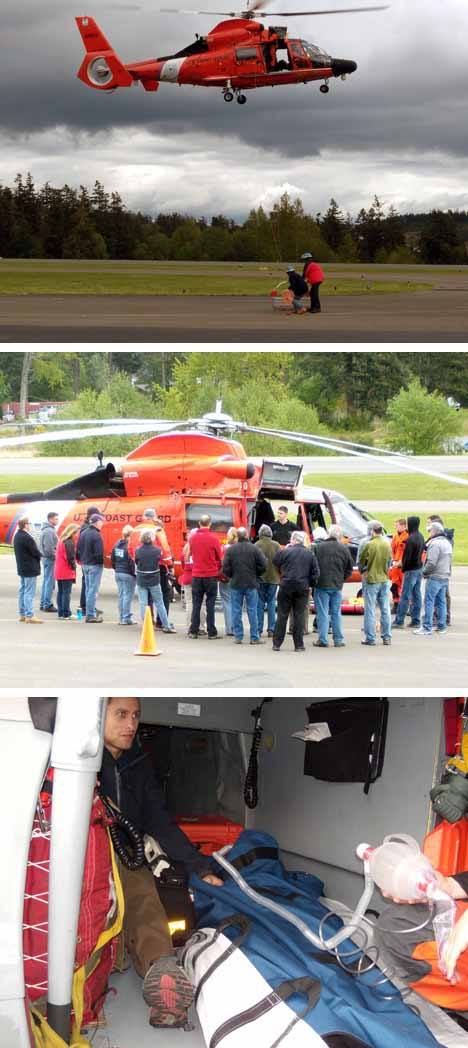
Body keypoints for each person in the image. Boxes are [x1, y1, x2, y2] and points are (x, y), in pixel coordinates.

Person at [99, 697, 223, 1029]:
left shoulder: (137, 763)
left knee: (142, 894)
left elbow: (160, 821)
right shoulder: (80, 762)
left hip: (127, 853)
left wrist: (201, 866)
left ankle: (163, 974)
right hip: (87, 856)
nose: (131, 724)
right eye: (121, 714)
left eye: (136, 716)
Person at [272, 532, 320, 652]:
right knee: (299, 615)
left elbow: (275, 561)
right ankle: (298, 645)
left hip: (286, 585)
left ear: (293, 540)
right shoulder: (310, 554)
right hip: (302, 587)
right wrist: (310, 584)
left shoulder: (286, 551)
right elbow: (316, 573)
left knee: (282, 615)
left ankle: (277, 643)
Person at [221, 527, 267, 645]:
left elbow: (225, 567)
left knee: (236, 610)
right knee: (252, 610)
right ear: (247, 535)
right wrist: (257, 573)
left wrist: (232, 575)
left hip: (236, 583)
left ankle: (238, 636)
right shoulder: (254, 548)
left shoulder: (231, 550)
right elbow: (263, 564)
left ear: (238, 536)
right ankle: (254, 637)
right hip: (251, 582)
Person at [312, 524, 354, 648]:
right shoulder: (344, 549)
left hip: (321, 584)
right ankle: (338, 639)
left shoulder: (318, 547)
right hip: (337, 585)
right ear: (339, 535)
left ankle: (323, 639)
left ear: (328, 534)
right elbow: (349, 569)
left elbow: (313, 566)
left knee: (323, 613)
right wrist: (341, 579)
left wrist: (314, 580)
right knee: (336, 612)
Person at [128, 508, 173, 623]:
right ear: (154, 517)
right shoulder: (157, 529)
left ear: (143, 517)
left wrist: (137, 560)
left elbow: (130, 549)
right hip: (158, 566)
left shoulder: (135, 530)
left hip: (141, 567)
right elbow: (165, 549)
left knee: (146, 597)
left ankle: (149, 620)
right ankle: (162, 621)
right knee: (163, 594)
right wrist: (170, 565)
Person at [414, 521, 452, 637]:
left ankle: (427, 627)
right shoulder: (447, 542)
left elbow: (431, 562)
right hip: (444, 576)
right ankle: (442, 626)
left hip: (435, 577)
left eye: (430, 531)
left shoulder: (435, 544)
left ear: (435, 531)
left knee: (429, 602)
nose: (429, 533)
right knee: (441, 602)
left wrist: (423, 572)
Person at [188, 515, 223, 640]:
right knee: (210, 604)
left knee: (196, 603)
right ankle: (211, 631)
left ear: (199, 523)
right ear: (210, 524)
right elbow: (220, 557)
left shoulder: (193, 538)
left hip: (197, 574)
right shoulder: (214, 539)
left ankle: (194, 630)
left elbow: (191, 553)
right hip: (210, 575)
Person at [358, 521, 392, 646]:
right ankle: (387, 636)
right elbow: (390, 562)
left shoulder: (367, 544)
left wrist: (363, 571)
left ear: (372, 530)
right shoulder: (387, 543)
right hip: (384, 578)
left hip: (371, 579)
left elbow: (360, 561)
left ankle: (370, 637)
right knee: (385, 608)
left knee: (370, 609)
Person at [134, 531, 176, 632]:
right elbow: (164, 561)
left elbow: (136, 561)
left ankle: (146, 625)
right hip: (154, 579)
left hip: (141, 578)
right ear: (152, 539)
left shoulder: (138, 550)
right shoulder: (157, 550)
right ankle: (166, 625)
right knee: (159, 603)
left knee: (143, 603)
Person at [393, 516, 425, 629]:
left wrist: (399, 566)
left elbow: (406, 558)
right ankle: (416, 620)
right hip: (419, 569)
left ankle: (399, 620)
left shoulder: (411, 539)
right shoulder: (420, 536)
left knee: (405, 596)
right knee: (417, 595)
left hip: (410, 570)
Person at [13, 515, 42, 623]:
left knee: (23, 591)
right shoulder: (26, 537)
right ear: (25, 525)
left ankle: (22, 614)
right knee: (29, 592)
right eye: (29, 524)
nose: (30, 526)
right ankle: (30, 615)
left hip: (22, 567)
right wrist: (41, 555)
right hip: (30, 568)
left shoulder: (17, 535)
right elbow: (35, 552)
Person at [77, 512, 105, 623]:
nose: (102, 524)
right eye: (101, 522)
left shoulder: (83, 532)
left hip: (85, 564)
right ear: (97, 522)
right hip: (94, 565)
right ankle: (90, 614)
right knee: (93, 590)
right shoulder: (97, 535)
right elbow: (99, 553)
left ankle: (90, 611)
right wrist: (101, 562)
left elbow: (78, 548)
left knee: (89, 589)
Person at [427, 514, 454, 626]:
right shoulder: (445, 540)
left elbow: (432, 561)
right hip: (445, 572)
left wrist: (425, 571)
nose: (428, 527)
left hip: (437, 573)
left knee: (435, 599)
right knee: (442, 599)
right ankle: (442, 621)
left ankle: (433, 621)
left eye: (429, 524)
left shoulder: (438, 541)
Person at [180, 530, 207, 635]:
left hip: (187, 577)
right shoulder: (201, 548)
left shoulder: (185, 549)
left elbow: (183, 565)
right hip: (199, 577)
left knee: (190, 603)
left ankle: (189, 626)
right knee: (202, 603)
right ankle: (201, 627)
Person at [255, 524, 280, 638]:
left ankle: (259, 629)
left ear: (260, 534)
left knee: (259, 604)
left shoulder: (257, 545)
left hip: (260, 578)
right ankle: (271, 629)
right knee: (271, 603)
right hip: (274, 578)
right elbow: (280, 561)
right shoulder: (276, 545)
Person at [111, 524, 137, 626]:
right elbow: (131, 561)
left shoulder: (117, 544)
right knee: (127, 596)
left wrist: (116, 568)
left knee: (121, 595)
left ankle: (122, 616)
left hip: (118, 572)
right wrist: (133, 573)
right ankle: (126, 617)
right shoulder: (129, 545)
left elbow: (113, 558)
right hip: (127, 573)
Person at [54, 522, 79, 619]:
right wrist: (74, 567)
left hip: (59, 570)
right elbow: (70, 558)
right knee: (66, 593)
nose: (76, 535)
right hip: (66, 571)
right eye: (76, 533)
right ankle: (66, 613)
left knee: (61, 592)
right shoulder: (69, 542)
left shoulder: (61, 540)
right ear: (72, 532)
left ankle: (61, 613)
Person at [218, 526, 238, 637]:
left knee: (227, 602)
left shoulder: (225, 548)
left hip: (226, 578)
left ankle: (229, 628)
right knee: (236, 603)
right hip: (237, 578)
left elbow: (221, 562)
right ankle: (236, 627)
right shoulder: (240, 548)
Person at [38, 510, 59, 612]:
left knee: (47, 582)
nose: (57, 520)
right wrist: (57, 557)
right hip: (50, 560)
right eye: (56, 519)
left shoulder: (47, 530)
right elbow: (49, 549)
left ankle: (43, 603)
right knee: (49, 583)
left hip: (46, 559)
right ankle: (47, 604)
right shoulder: (49, 531)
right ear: (50, 519)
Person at [388, 518, 408, 614]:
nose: (396, 528)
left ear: (404, 526)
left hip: (403, 565)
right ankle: (396, 605)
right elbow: (392, 549)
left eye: (397, 526)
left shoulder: (407, 537)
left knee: (404, 587)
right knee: (394, 586)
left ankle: (406, 606)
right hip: (395, 565)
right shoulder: (395, 536)